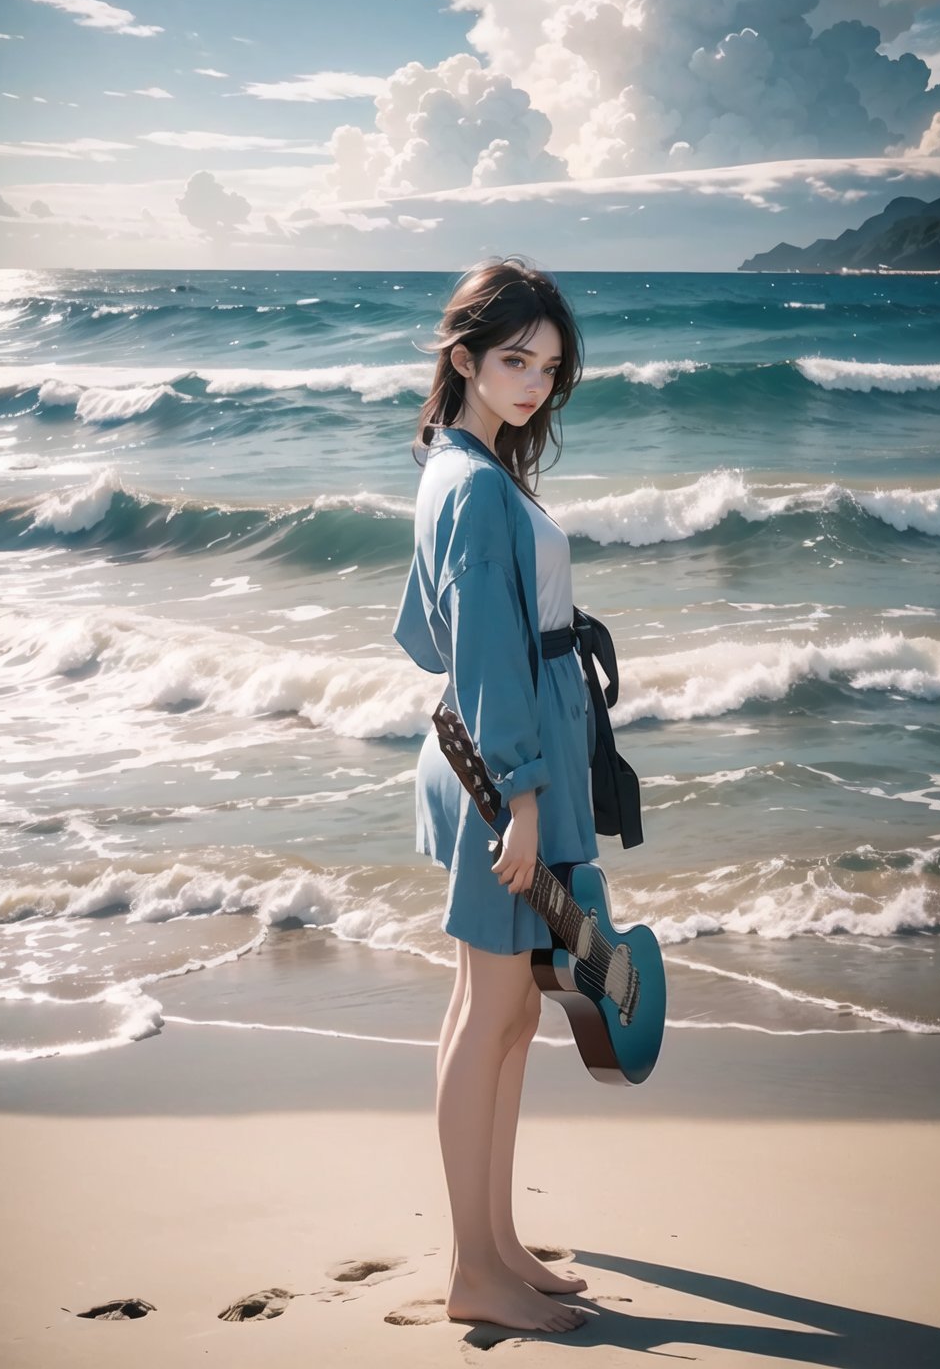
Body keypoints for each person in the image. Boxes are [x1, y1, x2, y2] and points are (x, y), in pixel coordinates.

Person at [392, 256, 598, 1334]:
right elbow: (472, 651)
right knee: (491, 1011)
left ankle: (500, 1243)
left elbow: (424, 629)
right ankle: (473, 1269)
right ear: (464, 358)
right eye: (513, 360)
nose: (532, 383)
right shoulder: (474, 483)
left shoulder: (462, 466)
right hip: (497, 778)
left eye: (548, 366)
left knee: (506, 1008)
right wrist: (518, 795)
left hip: (501, 761)